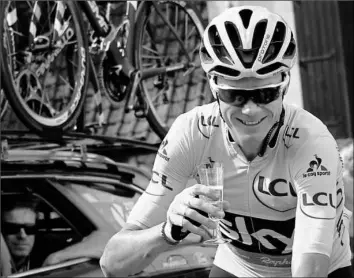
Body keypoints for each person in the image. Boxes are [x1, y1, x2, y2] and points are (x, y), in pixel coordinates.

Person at [100, 6, 353, 278]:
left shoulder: (311, 141)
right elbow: (112, 264)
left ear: (284, 87)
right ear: (214, 89)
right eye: (235, 96)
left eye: (265, 94)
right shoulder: (191, 133)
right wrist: (167, 231)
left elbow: (310, 268)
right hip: (237, 267)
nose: (250, 110)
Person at [1, 195, 39, 273]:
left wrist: (56, 257)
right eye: (13, 228)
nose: (22, 235)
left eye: (30, 229)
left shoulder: (46, 252)